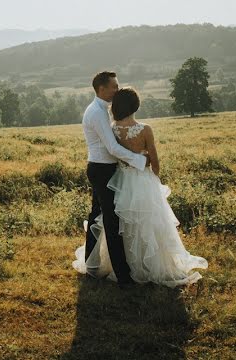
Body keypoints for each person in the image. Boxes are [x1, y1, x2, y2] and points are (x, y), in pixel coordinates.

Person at [74, 86, 208, 287]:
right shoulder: (145, 129)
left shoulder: (112, 128)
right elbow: (155, 162)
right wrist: (153, 176)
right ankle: (149, 264)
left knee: (122, 222)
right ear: (136, 105)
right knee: (148, 220)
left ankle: (121, 264)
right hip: (142, 180)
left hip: (119, 180)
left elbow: (114, 152)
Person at [73, 71, 149, 288]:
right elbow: (112, 147)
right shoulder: (96, 113)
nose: (117, 89)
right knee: (111, 221)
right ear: (102, 88)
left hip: (101, 168)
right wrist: (139, 160)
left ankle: (92, 266)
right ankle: (122, 276)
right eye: (114, 86)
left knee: (97, 217)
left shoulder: (101, 110)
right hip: (102, 170)